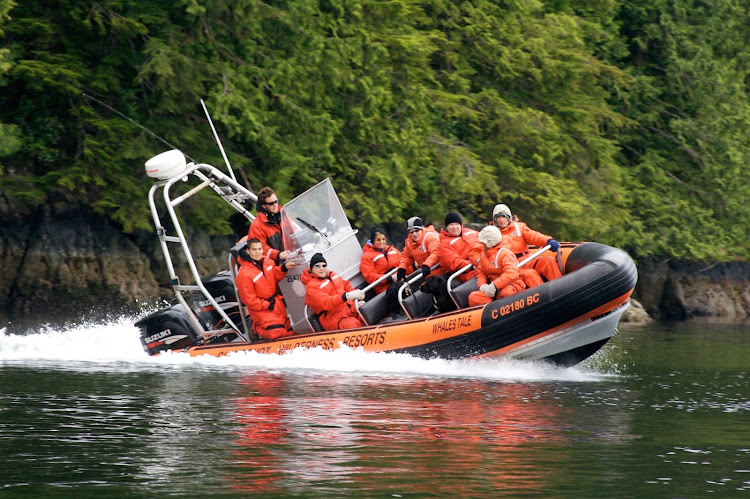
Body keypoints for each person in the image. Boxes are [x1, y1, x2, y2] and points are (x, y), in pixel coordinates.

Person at [235, 238, 296, 340]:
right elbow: (249, 300)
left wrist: (284, 268)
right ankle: (255, 328)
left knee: (289, 331)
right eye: (254, 250)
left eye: (259, 249)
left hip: (276, 304)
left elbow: (274, 275)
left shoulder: (267, 261)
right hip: (261, 309)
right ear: (248, 251)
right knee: (277, 332)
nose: (258, 252)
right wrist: (267, 305)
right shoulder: (244, 274)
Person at [492, 203, 562, 282]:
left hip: (528, 259)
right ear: (495, 219)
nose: (501, 220)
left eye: (503, 216)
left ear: (508, 217)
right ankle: (543, 293)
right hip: (512, 266)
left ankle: (561, 288)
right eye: (498, 217)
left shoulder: (519, 227)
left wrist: (547, 240)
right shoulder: (493, 234)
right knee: (530, 274)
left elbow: (533, 236)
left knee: (548, 261)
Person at [302, 253, 365, 331]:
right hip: (333, 318)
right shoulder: (311, 287)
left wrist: (355, 301)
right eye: (317, 266)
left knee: (368, 312)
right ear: (312, 269)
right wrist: (346, 296)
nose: (321, 268)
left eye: (324, 265)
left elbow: (347, 286)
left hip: (350, 310)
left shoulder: (333, 275)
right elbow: (327, 302)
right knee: (352, 324)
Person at [468, 226, 527, 306]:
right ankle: (493, 311)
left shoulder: (505, 253)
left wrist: (495, 285)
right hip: (492, 290)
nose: (482, 244)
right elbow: (480, 272)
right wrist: (483, 285)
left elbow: (512, 274)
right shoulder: (483, 254)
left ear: (490, 242)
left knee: (506, 293)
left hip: (511, 284)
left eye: (484, 242)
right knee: (473, 297)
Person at [248, 186, 291, 263]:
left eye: (276, 201)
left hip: (290, 256)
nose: (275, 205)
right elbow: (260, 248)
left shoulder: (283, 215)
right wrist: (278, 254)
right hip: (275, 264)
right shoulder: (257, 226)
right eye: (271, 203)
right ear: (264, 206)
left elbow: (293, 231)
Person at [396, 217, 443, 281]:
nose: (414, 234)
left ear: (421, 229)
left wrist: (427, 264)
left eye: (416, 231)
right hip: (425, 272)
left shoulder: (431, 237)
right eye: (411, 232)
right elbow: (406, 257)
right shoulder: (409, 242)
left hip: (439, 270)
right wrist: (402, 268)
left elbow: (435, 253)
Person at [438, 212, 479, 283]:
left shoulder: (471, 232)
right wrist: (473, 265)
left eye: (456, 224)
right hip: (467, 272)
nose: (454, 227)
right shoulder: (444, 244)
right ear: (446, 227)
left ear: (461, 225)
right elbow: (454, 262)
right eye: (451, 225)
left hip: (482, 263)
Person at [360, 227, 402, 295]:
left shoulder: (391, 249)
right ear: (373, 241)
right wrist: (389, 278)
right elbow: (370, 276)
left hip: (400, 280)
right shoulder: (366, 257)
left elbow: (402, 262)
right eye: (378, 240)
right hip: (385, 289)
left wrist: (413, 266)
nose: (381, 242)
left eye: (383, 239)